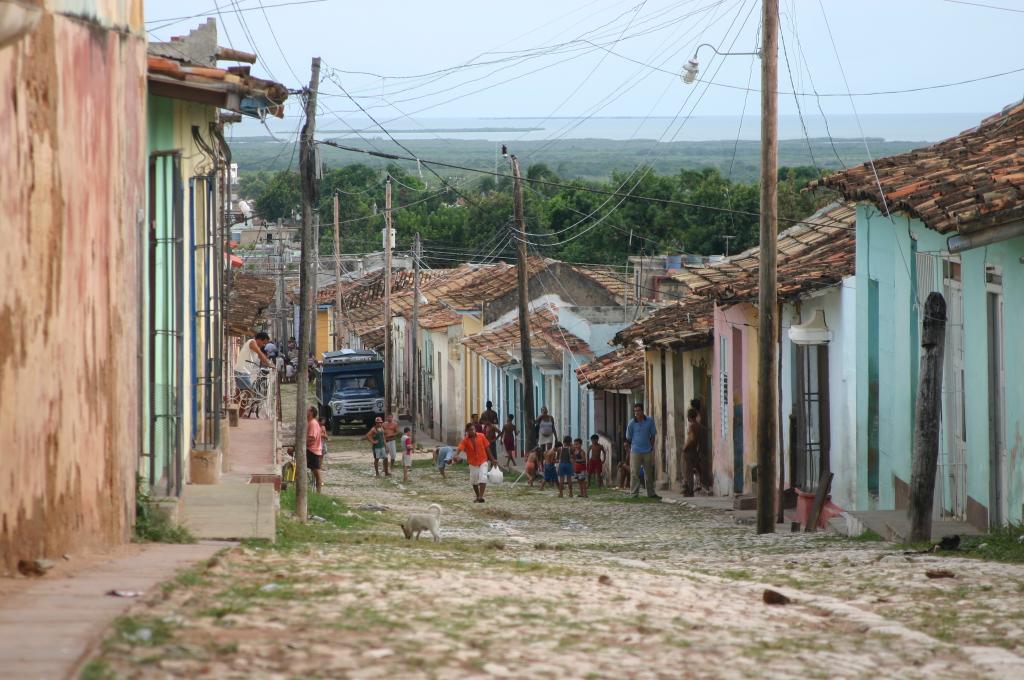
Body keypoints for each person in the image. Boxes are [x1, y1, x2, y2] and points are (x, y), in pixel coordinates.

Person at [625, 403, 660, 499]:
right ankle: (634, 493)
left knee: (648, 473)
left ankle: (651, 493)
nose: (637, 413)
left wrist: (651, 447)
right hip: (635, 450)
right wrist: (632, 446)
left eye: (639, 410)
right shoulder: (632, 423)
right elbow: (628, 437)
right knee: (634, 472)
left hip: (647, 450)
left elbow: (653, 435)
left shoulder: (649, 421)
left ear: (642, 411)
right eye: (635, 411)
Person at [458, 422, 496, 503]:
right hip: (472, 463)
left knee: (483, 477)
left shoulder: (481, 436)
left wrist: (492, 459)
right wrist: (454, 456)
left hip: (483, 460)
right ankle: (478, 496)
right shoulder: (465, 440)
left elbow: (487, 448)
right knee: (474, 481)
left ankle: (481, 496)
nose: (473, 431)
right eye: (470, 430)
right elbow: (459, 448)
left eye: (473, 429)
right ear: (467, 431)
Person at [682, 408, 705, 496]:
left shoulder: (692, 426)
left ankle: (689, 490)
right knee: (696, 469)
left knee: (688, 471)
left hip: (690, 450)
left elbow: (691, 438)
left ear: (689, 417)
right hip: (695, 449)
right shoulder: (699, 426)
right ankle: (697, 485)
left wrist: (685, 446)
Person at [306, 406, 324, 493]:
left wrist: (302, 444)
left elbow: (312, 438)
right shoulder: (311, 422)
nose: (305, 411)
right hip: (312, 449)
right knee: (315, 471)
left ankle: (318, 492)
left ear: (311, 413)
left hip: (312, 450)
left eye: (307, 410)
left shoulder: (312, 423)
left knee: (316, 472)